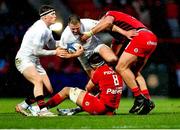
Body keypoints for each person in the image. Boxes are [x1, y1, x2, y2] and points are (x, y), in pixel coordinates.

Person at [81, 11, 157, 114]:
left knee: (121, 68)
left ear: (103, 17)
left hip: (141, 36)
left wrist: (89, 33)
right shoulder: (119, 33)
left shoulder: (109, 14)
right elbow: (115, 54)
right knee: (134, 73)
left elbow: (107, 23)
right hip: (151, 38)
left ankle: (139, 98)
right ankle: (147, 100)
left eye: (100, 22)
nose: (101, 26)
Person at [15, 5, 62, 116]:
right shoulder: (40, 29)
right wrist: (55, 52)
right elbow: (37, 51)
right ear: (45, 17)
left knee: (48, 89)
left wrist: (67, 42)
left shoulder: (47, 29)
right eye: (52, 14)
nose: (55, 16)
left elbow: (52, 45)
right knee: (38, 81)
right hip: (24, 59)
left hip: (34, 60)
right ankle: (43, 111)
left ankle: (22, 106)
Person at [44, 53, 123, 115]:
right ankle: (75, 110)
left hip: (100, 108)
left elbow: (88, 88)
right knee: (98, 95)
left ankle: (43, 108)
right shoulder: (115, 72)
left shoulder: (99, 71)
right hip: (110, 110)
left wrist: (86, 98)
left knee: (66, 90)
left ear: (93, 65)